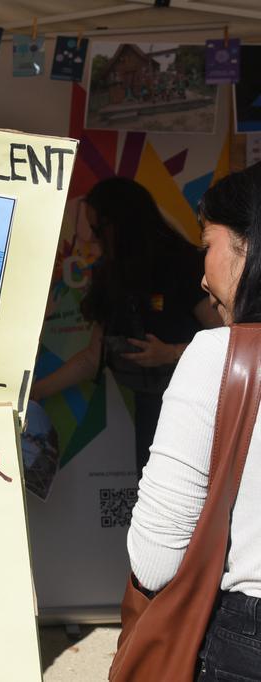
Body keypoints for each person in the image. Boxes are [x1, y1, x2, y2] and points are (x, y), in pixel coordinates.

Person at [128, 164, 261, 679]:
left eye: (208, 243)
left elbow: (155, 560)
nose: (203, 275)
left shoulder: (218, 355)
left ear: (248, 245)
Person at [31, 177, 222, 474]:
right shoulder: (113, 273)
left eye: (97, 230)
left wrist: (171, 353)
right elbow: (92, 358)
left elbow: (228, 340)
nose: (92, 240)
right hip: (151, 409)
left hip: (198, 410)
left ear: (120, 223)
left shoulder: (184, 264)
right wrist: (37, 391)